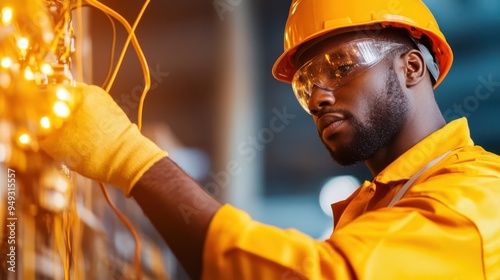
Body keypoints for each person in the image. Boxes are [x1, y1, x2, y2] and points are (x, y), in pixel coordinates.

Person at [41, 0, 500, 279]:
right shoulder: (382, 207)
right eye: (305, 85)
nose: (318, 96)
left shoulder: (476, 198)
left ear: (412, 68)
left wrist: (130, 160)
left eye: (341, 65)